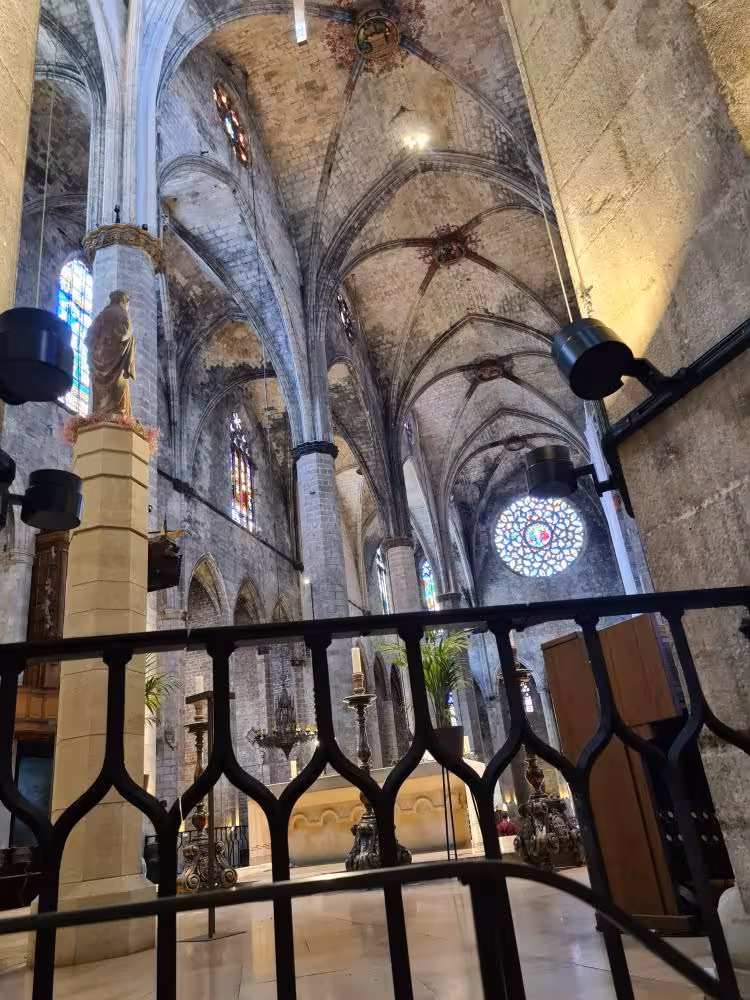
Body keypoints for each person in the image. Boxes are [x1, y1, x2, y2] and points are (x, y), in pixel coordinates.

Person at [85, 290, 136, 418]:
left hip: (98, 360)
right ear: (123, 300)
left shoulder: (101, 316)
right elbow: (125, 334)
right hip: (117, 361)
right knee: (119, 394)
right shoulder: (122, 314)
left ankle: (100, 414)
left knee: (100, 395)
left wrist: (99, 349)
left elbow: (88, 338)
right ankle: (119, 415)